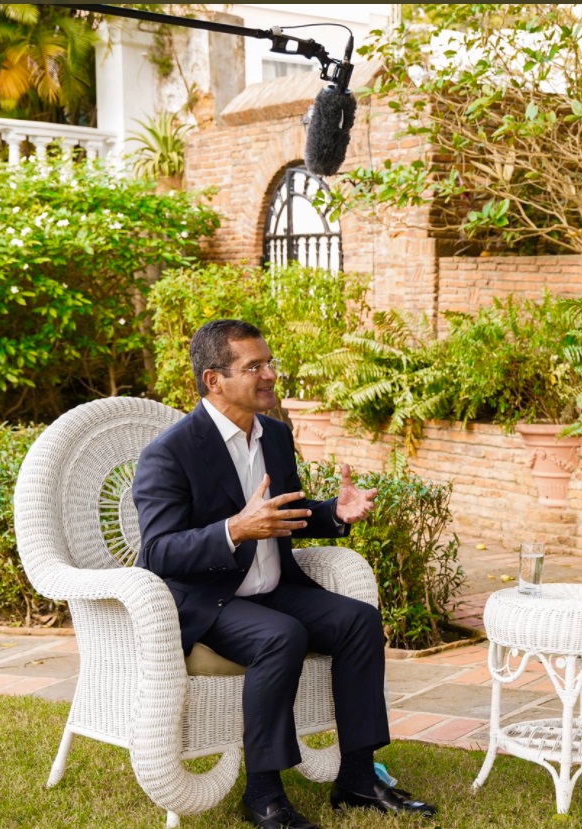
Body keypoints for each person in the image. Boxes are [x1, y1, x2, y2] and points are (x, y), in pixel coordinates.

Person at [133, 319, 436, 829]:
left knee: (359, 620)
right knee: (281, 636)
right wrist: (234, 529)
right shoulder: (170, 452)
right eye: (255, 366)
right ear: (214, 380)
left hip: (275, 588)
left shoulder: (275, 434)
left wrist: (334, 513)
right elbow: (159, 551)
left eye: (269, 362)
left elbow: (283, 516)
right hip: (211, 601)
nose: (271, 373)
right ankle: (264, 793)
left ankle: (359, 776)